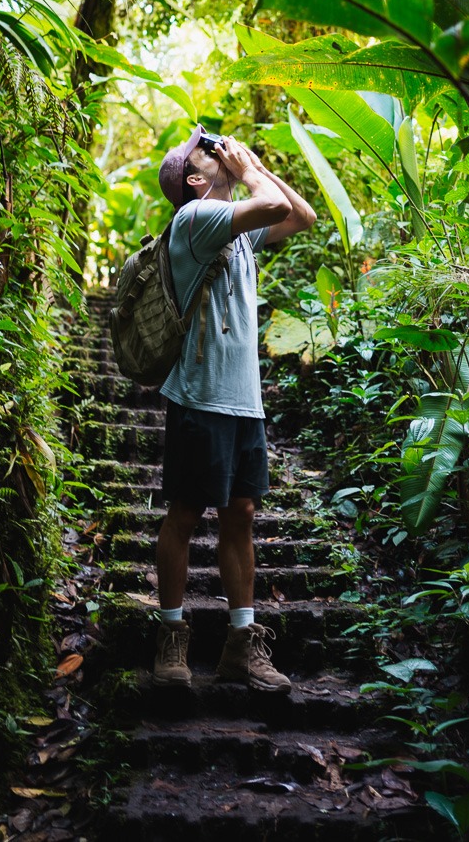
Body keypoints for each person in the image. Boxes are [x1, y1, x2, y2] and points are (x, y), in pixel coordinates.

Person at [152, 125, 316, 693]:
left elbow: (300, 216)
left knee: (241, 513)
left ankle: (240, 647)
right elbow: (269, 204)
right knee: (184, 513)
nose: (218, 149)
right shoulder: (195, 221)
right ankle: (171, 634)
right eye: (207, 150)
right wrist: (247, 170)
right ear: (195, 179)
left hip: (243, 399)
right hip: (200, 393)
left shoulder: (239, 230)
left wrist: (253, 166)